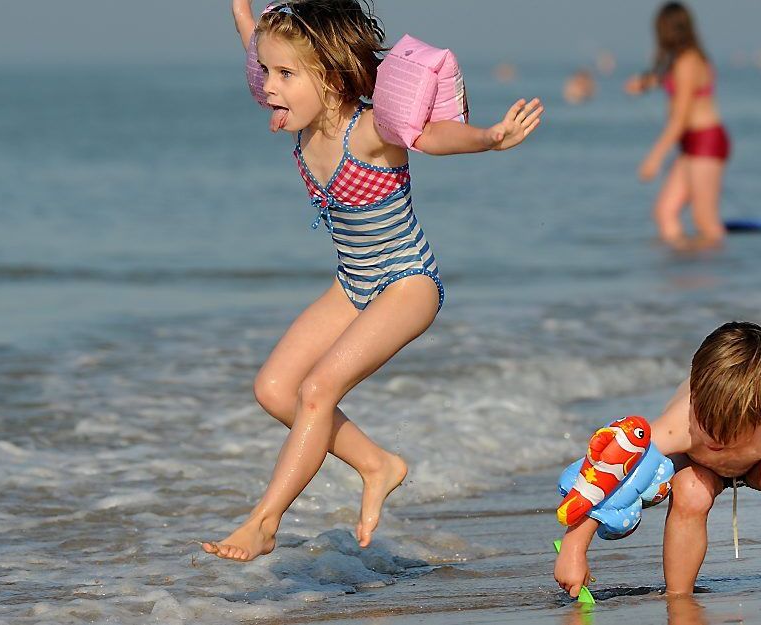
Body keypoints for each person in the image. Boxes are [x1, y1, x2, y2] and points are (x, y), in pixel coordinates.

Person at [208, 0, 543, 562]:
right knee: (274, 388)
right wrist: (241, 9)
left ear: (333, 75)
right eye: (266, 72)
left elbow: (430, 136)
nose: (268, 86)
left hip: (407, 283)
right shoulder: (303, 119)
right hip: (353, 281)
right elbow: (253, 35)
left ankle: (264, 522)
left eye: (285, 75)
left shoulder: (367, 132)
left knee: (316, 390)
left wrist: (488, 137)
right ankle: (376, 463)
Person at [554, 321, 761, 596]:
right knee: (692, 493)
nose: (720, 439)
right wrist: (574, 548)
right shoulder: (680, 427)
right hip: (699, 467)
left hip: (760, 463)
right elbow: (611, 474)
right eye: (711, 422)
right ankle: (678, 596)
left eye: (734, 428)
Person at [625, 2, 730, 250]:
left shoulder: (688, 62)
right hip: (692, 143)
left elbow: (680, 120)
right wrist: (645, 82)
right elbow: (669, 80)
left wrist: (655, 157)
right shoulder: (681, 61)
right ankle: (686, 275)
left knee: (705, 220)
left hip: (706, 141)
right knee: (665, 212)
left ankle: (721, 280)